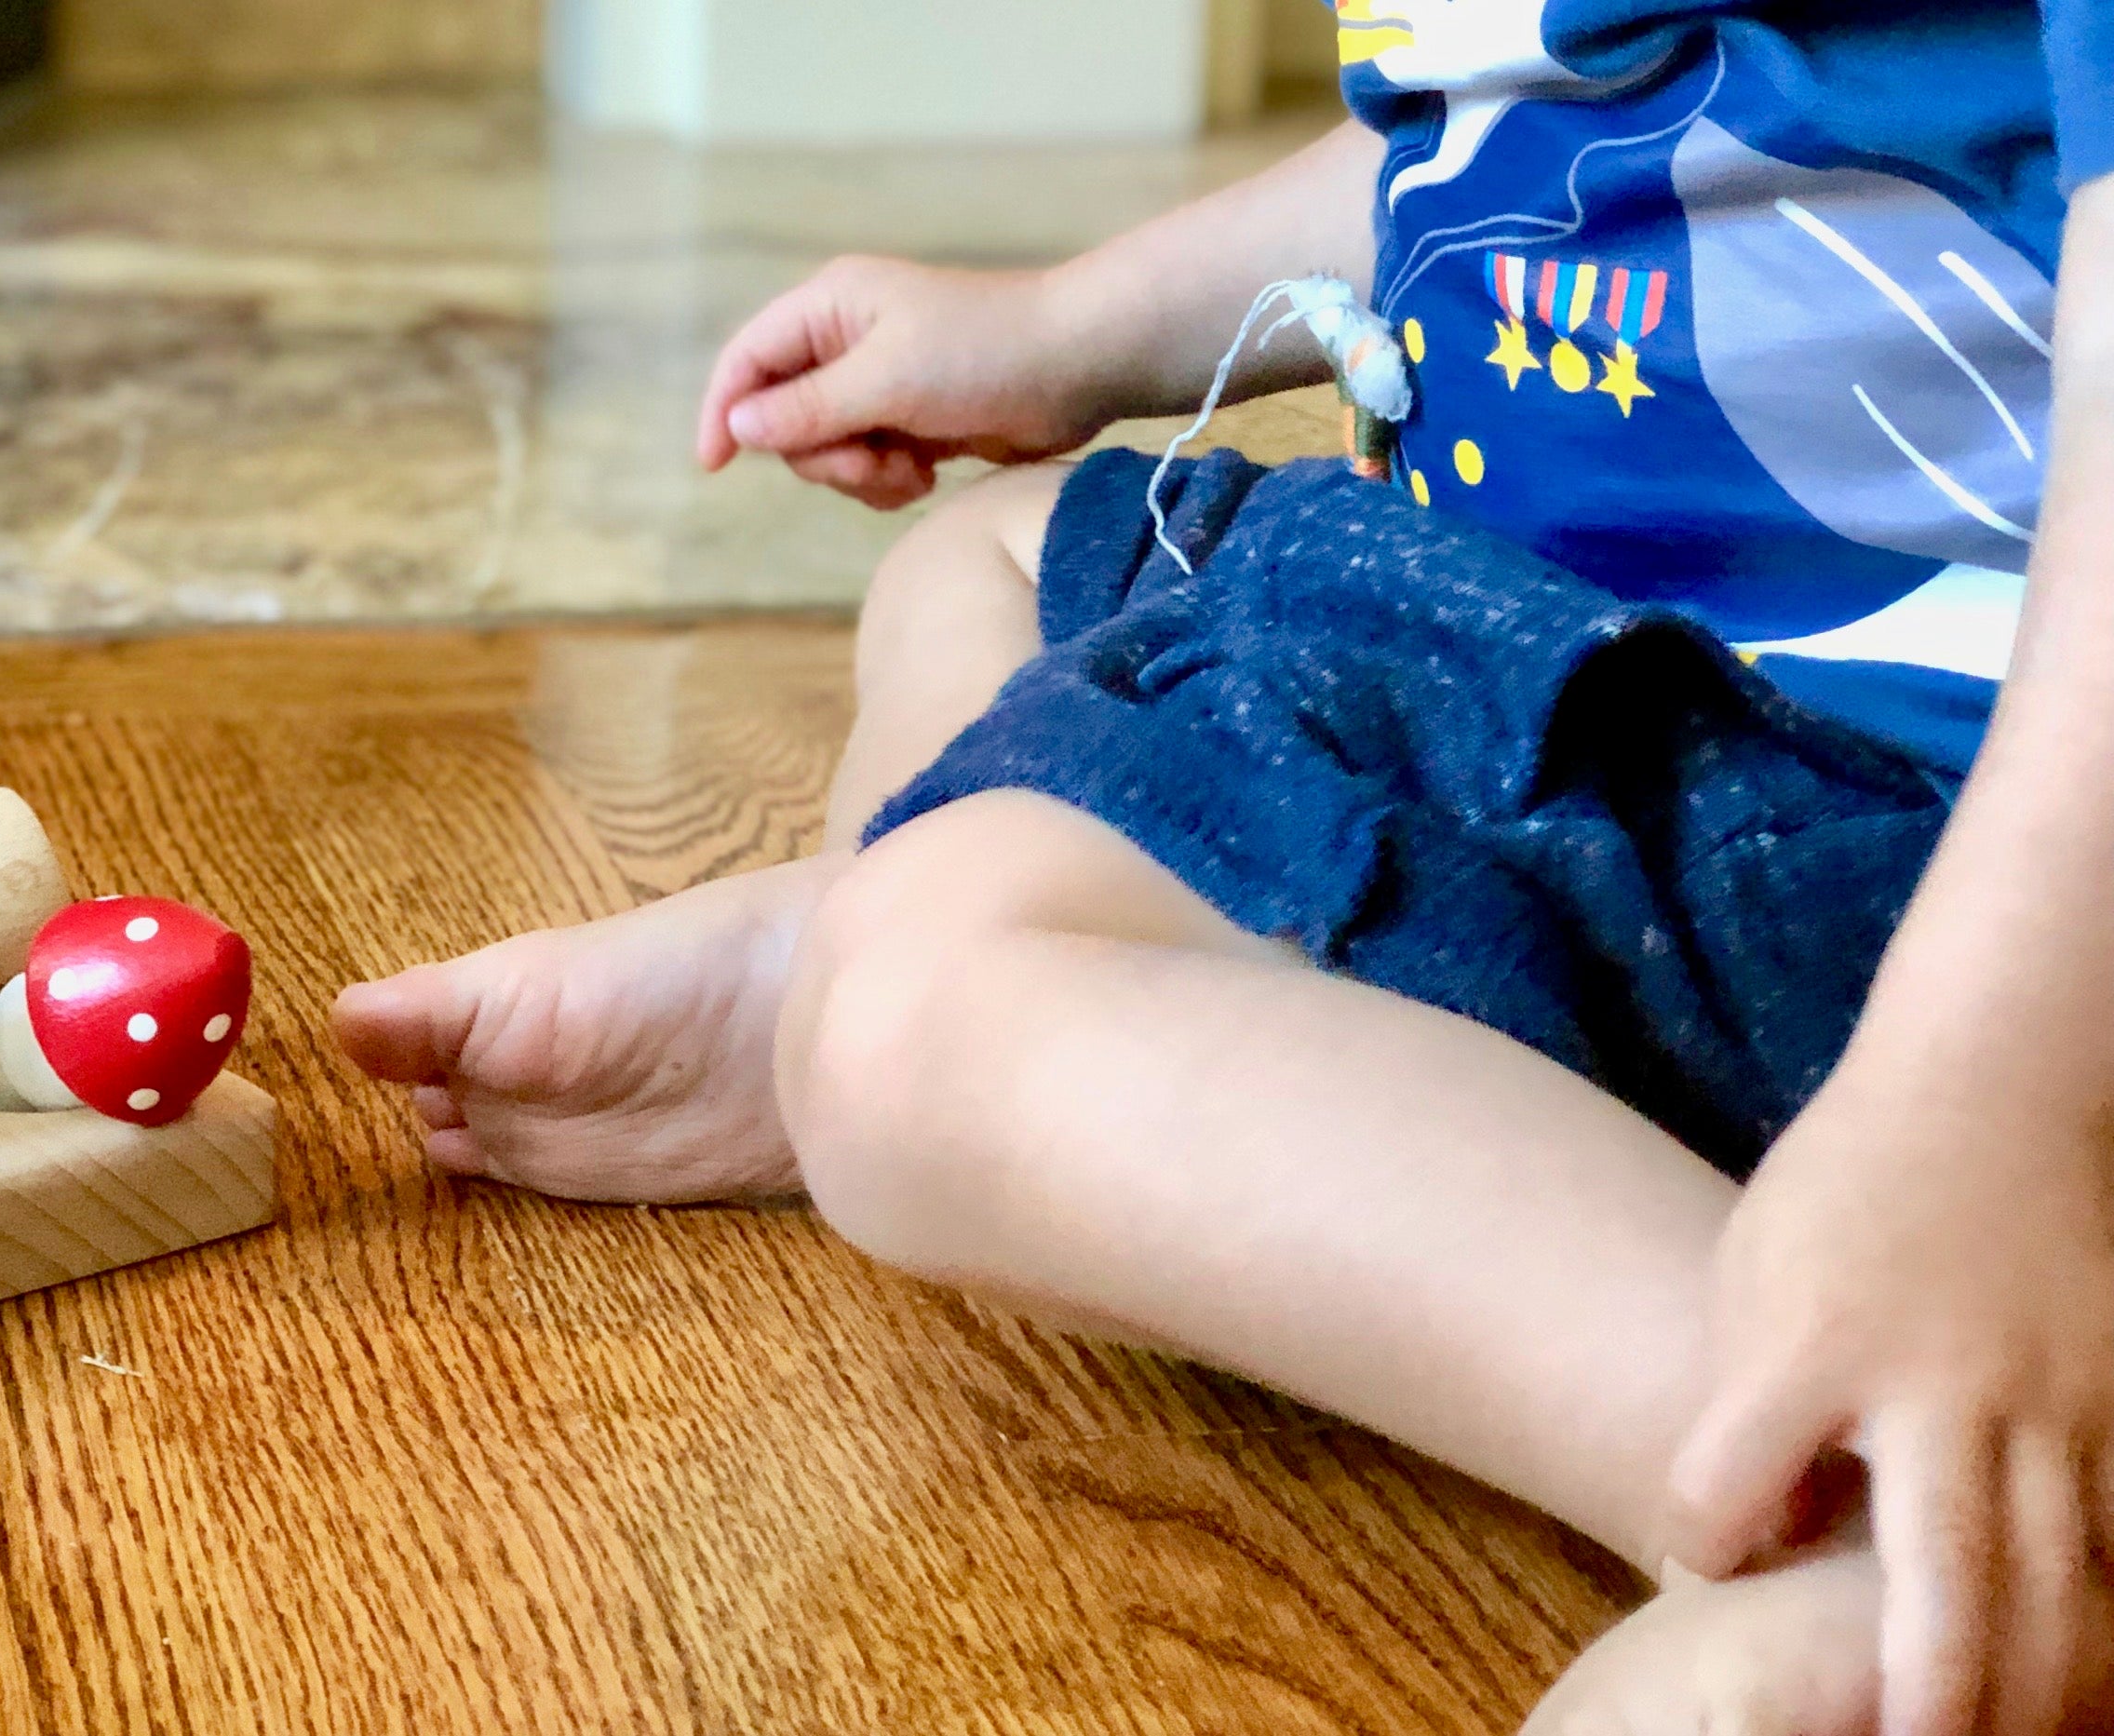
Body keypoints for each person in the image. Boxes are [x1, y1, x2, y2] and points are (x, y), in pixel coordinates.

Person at [333, 5, 2114, 1729]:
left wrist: (1984, 1098)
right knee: (989, 561)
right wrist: (1065, 332)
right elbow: (1499, 124)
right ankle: (957, 894)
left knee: (919, 1030)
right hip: (1559, 661)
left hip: (1917, 829)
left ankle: (1855, 1508)